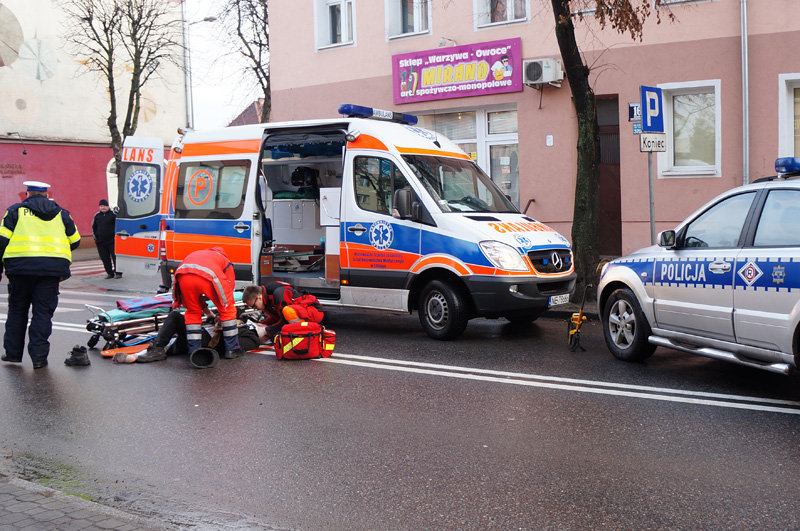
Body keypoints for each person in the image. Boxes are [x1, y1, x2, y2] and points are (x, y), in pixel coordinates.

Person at [0, 181, 81, 369]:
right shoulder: (62, 213)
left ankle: (12, 354)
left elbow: (2, 240)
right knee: (42, 314)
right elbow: (75, 241)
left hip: (20, 269)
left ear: (27, 194)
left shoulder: (14, 211)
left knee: (17, 311)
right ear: (46, 195)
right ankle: (39, 358)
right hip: (50, 272)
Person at [171, 247, 243, 359]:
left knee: (193, 312)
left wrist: (207, 311)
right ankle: (232, 349)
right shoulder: (225, 261)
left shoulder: (199, 253)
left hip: (183, 276)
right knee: (228, 310)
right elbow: (228, 290)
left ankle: (194, 351)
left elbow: (197, 294)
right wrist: (222, 311)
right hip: (208, 277)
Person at [116, 309, 263, 364]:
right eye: (219, 317)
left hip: (205, 345)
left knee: (174, 317)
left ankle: (145, 353)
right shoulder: (215, 324)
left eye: (223, 318)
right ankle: (143, 354)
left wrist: (226, 331)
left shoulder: (244, 331)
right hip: (193, 340)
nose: (219, 319)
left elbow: (251, 343)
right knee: (172, 330)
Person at [242, 281, 325, 338]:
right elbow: (276, 316)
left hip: (314, 311)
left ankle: (301, 335)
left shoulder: (279, 294)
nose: (254, 309)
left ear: (259, 298)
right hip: (305, 311)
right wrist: (262, 324)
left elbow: (284, 321)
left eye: (254, 306)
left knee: (288, 311)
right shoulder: (267, 296)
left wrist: (265, 331)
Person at [92, 199, 120, 279]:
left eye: (104, 206)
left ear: (108, 206)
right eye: (101, 206)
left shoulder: (113, 215)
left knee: (115, 257)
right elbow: (93, 227)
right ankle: (109, 273)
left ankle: (118, 273)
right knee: (104, 258)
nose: (102, 208)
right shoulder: (97, 216)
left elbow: (118, 224)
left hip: (112, 241)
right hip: (100, 242)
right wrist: (96, 238)